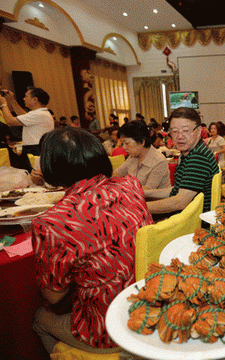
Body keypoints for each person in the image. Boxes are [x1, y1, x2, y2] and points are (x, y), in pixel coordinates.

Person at [32, 127, 153, 354]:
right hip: (149, 306)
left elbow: (53, 296)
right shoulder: (131, 186)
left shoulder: (51, 223)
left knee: (39, 317)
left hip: (108, 329)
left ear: (51, 167)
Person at [145, 107, 219, 216]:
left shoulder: (199, 156)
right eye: (174, 131)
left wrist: (137, 207)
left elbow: (180, 202)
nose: (180, 136)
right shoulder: (189, 152)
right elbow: (178, 189)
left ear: (198, 131)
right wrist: (145, 193)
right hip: (187, 218)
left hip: (194, 225)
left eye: (185, 131)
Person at [0, 87, 54, 157]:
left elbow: (10, 121)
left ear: (35, 99)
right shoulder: (40, 113)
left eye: (26, 96)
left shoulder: (39, 114)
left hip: (36, 149)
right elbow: (23, 115)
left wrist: (3, 104)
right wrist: (12, 100)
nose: (24, 99)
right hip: (38, 147)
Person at [113, 121, 170, 189]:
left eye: (127, 143)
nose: (124, 147)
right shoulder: (132, 157)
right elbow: (117, 174)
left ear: (142, 142)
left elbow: (148, 190)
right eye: (123, 143)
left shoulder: (158, 161)